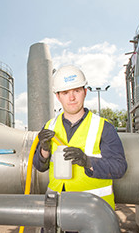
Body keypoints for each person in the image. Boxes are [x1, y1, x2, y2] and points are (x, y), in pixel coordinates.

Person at [33, 65, 127, 211]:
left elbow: (119, 168)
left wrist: (87, 161)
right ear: (57, 96)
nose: (71, 98)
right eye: (65, 93)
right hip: (56, 209)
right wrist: (44, 150)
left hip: (93, 211)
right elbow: (40, 167)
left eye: (76, 91)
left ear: (85, 92)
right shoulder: (49, 126)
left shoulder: (103, 127)